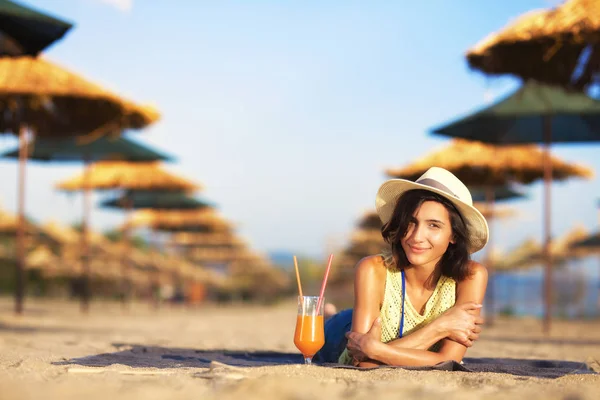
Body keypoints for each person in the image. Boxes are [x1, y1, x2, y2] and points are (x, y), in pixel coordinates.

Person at [315, 167, 489, 367]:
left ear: (454, 235)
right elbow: (362, 363)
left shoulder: (471, 275)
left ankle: (331, 312)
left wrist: (374, 349)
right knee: (332, 324)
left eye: (433, 225)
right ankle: (329, 316)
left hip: (367, 321)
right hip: (338, 336)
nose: (416, 237)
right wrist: (440, 327)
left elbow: (448, 361)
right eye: (411, 222)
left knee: (353, 318)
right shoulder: (372, 269)